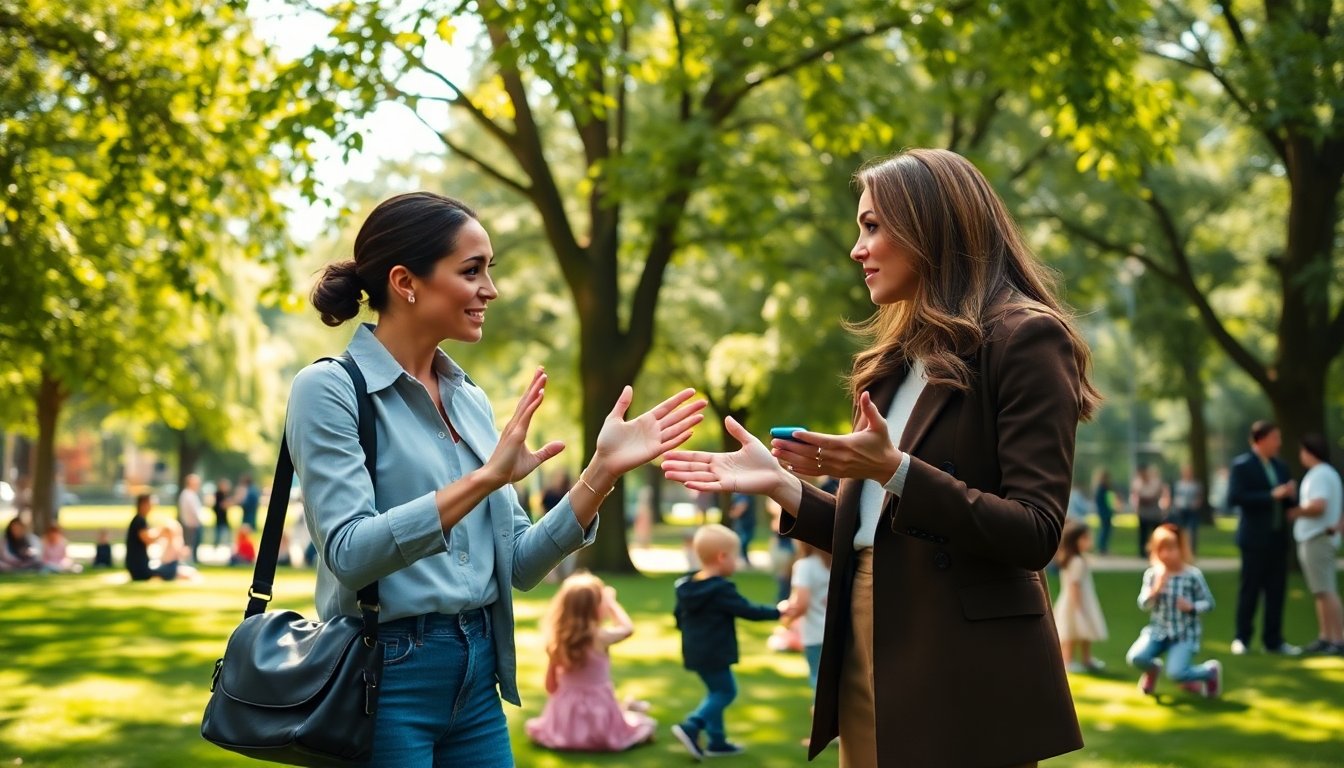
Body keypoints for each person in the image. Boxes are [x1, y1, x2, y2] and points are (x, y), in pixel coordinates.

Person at [663, 149, 1097, 766]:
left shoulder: (1025, 338)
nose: (856, 248)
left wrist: (893, 470)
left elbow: (1034, 532)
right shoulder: (895, 359)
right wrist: (781, 488)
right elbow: (872, 532)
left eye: (872, 226)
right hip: (867, 637)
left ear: (929, 228)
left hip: (962, 664)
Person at [292, 191, 705, 766]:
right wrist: (486, 479)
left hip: (478, 673)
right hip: (383, 680)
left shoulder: (469, 400)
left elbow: (521, 564)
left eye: (491, 269)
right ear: (406, 281)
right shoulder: (330, 390)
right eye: (472, 271)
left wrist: (601, 472)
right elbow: (350, 553)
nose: (491, 289)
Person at [670, 524, 781, 759]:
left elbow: (678, 617)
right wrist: (778, 612)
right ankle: (692, 725)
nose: (738, 562)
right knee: (726, 692)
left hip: (694, 651)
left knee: (715, 691)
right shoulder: (721, 589)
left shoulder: (686, 586)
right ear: (722, 557)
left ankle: (717, 741)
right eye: (736, 556)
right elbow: (748, 610)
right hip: (715, 652)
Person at [524, 572, 656, 752]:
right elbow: (627, 629)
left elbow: (551, 687)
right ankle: (630, 708)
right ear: (597, 608)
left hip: (565, 726)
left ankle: (628, 707)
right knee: (644, 725)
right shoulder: (600, 637)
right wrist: (612, 603)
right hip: (600, 717)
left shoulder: (557, 642)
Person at [1227, 420, 1301, 656]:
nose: (1278, 443)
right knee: (1250, 590)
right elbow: (1236, 498)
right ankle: (1242, 638)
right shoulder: (1242, 466)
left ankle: (1273, 640)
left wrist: (1290, 495)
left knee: (1276, 591)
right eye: (1275, 438)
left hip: (1278, 539)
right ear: (1261, 440)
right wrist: (1271, 495)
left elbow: (1287, 503)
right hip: (1254, 539)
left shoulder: (1280, 466)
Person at [1126, 524, 1222, 698]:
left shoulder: (1192, 576)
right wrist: (1155, 591)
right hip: (1158, 632)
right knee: (1136, 658)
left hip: (1184, 634)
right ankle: (1153, 670)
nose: (1166, 555)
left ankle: (1209, 672)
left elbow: (1209, 603)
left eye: (1171, 549)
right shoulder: (1152, 575)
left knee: (1176, 673)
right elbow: (1143, 604)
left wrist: (1191, 607)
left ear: (1181, 549)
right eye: (1161, 550)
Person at [1286, 433, 1343, 654]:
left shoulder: (1319, 475)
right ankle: (1326, 636)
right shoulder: (1329, 474)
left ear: (1309, 452)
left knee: (1326, 589)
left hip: (1317, 537)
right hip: (1320, 536)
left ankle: (1337, 639)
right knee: (1320, 590)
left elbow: (1319, 506)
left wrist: (1295, 511)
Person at [1054, 520, 1107, 673]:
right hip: (1077, 601)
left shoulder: (1076, 559)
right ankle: (1068, 659)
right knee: (1071, 632)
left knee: (1084, 633)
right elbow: (1074, 585)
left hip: (1079, 600)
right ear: (1074, 541)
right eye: (1085, 538)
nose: (1089, 541)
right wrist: (1078, 607)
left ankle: (1086, 659)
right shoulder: (1076, 561)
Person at [781, 540, 831, 690]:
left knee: (817, 679)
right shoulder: (834, 562)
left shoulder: (805, 566)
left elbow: (801, 604)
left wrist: (786, 618)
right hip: (837, 631)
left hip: (814, 633)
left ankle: (819, 712)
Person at [125, 494, 197, 582]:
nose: (152, 506)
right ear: (143, 504)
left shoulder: (140, 520)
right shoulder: (139, 521)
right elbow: (148, 539)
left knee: (171, 568)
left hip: (140, 566)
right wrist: (162, 531)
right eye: (150, 503)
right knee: (171, 569)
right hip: (139, 568)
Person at [1131, 464, 1168, 559]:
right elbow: (1138, 495)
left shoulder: (1155, 482)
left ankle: (1157, 551)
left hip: (1154, 513)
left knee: (1156, 533)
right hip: (1143, 513)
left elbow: (1154, 495)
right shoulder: (1137, 483)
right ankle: (1143, 553)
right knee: (1143, 534)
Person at [1172, 464, 1203, 554]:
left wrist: (1197, 504)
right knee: (1180, 529)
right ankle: (1181, 549)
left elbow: (1199, 497)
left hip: (1192, 510)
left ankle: (1192, 550)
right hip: (1181, 509)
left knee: (1192, 530)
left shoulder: (1196, 485)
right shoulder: (1179, 484)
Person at [1092, 468, 1120, 554]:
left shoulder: (1103, 488)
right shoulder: (1102, 488)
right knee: (1105, 530)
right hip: (1104, 512)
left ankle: (1103, 547)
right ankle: (1102, 548)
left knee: (1106, 529)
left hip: (1106, 511)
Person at [177, 473, 203, 564]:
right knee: (189, 544)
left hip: (190, 523)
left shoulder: (188, 494)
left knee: (191, 544)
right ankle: (188, 562)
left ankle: (189, 561)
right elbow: (194, 511)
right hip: (191, 524)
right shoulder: (188, 494)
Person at [726, 492, 757, 567]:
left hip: (744, 523)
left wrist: (734, 514)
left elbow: (742, 505)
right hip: (744, 522)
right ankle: (743, 559)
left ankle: (741, 559)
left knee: (742, 541)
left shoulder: (742, 494)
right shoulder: (743, 493)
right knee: (742, 542)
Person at [211, 477, 233, 551]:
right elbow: (222, 505)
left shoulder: (225, 494)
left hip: (224, 517)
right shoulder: (218, 494)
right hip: (219, 517)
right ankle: (216, 548)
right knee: (219, 533)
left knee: (224, 533)